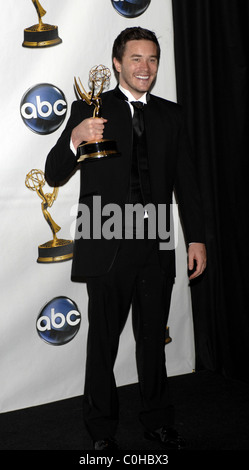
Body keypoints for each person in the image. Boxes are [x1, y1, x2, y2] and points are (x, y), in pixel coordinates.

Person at [45, 27, 207, 451]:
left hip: (155, 242)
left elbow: (186, 183)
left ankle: (157, 421)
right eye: (136, 58)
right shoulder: (91, 108)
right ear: (117, 63)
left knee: (152, 341)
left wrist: (197, 239)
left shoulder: (171, 115)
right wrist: (76, 136)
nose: (145, 68)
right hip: (106, 240)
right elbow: (53, 173)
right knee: (103, 344)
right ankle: (101, 431)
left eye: (152, 59)